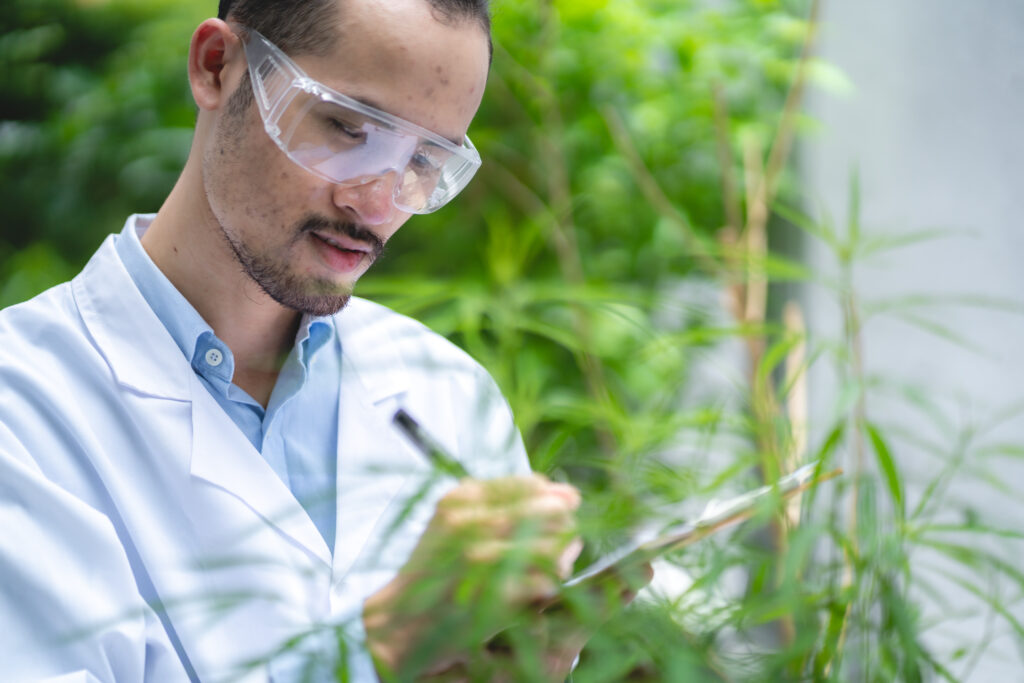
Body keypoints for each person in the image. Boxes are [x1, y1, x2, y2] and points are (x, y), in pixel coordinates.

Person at [0, 0, 632, 680]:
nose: (379, 204)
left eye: (424, 158)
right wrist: (386, 643)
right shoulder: (23, 408)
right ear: (217, 67)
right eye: (348, 129)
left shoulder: (449, 392)